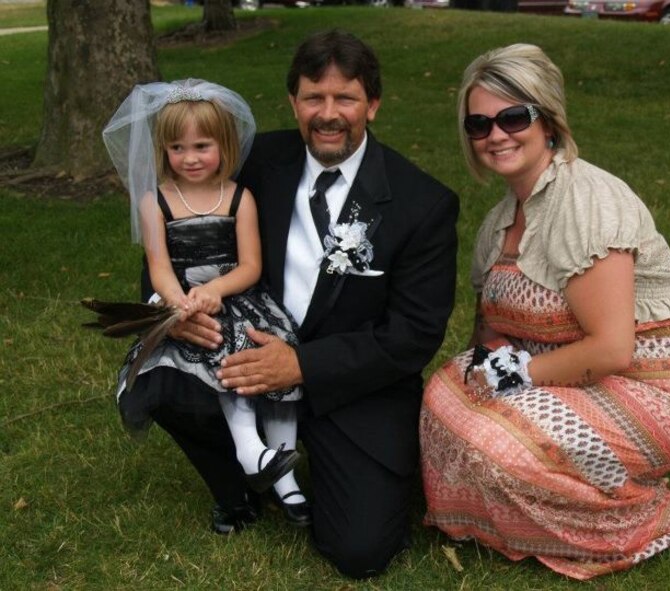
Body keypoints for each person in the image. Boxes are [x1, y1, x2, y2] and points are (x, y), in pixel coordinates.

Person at [148, 31, 459, 577]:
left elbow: (412, 336)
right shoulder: (254, 162)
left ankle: (316, 462)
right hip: (239, 352)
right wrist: (169, 312)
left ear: (374, 104)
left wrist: (300, 365)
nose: (328, 114)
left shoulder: (421, 204)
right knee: (162, 383)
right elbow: (181, 237)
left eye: (346, 98)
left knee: (359, 552)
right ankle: (239, 482)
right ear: (293, 101)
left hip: (351, 384)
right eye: (314, 97)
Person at [419, 43, 670, 580]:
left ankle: (641, 515)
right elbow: (490, 326)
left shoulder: (585, 201)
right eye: (479, 124)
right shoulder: (501, 220)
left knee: (493, 447)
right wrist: (485, 368)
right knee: (441, 397)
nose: (496, 134)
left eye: (513, 117)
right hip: (567, 372)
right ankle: (535, 494)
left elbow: (612, 347)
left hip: (658, 383)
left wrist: (510, 379)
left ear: (548, 121)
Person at [102, 79, 305, 517]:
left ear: (224, 145)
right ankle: (250, 450)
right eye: (177, 148)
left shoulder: (238, 197)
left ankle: (284, 470)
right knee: (220, 355)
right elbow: (158, 266)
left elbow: (250, 265)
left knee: (262, 354)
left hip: (235, 295)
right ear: (163, 150)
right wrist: (179, 303)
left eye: (201, 146)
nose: (190, 158)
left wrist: (213, 290)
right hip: (184, 305)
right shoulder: (154, 201)